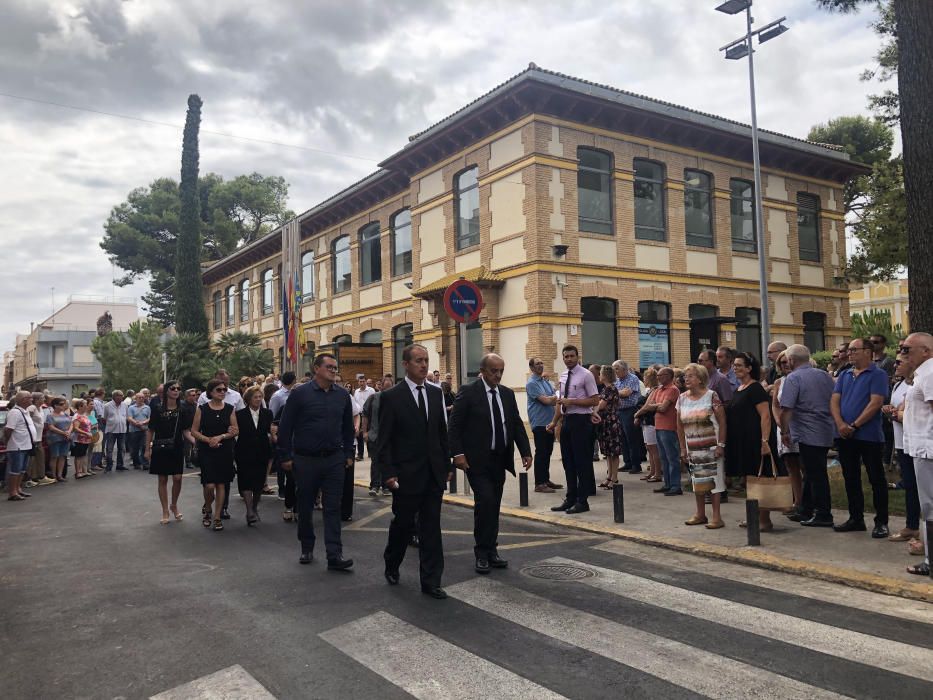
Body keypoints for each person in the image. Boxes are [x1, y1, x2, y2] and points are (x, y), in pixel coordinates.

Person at [376, 344, 451, 598]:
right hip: (406, 474)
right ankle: (392, 562)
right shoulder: (391, 396)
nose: (423, 365)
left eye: (426, 360)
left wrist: (446, 465)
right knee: (404, 524)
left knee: (431, 527)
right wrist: (388, 473)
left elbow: (441, 431)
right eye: (418, 360)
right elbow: (383, 440)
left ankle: (431, 581)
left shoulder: (435, 392)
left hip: (432, 472)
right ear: (405, 364)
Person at [449, 353, 531, 574]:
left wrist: (525, 451)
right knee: (484, 502)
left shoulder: (506, 394)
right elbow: (455, 426)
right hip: (476, 461)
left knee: (493, 505)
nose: (498, 375)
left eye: (501, 370)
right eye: (494, 371)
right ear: (483, 371)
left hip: (499, 459)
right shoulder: (469, 392)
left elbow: (514, 423)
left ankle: (492, 549)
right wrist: (457, 454)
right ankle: (481, 553)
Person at [277, 353, 355, 570]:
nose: (333, 370)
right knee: (305, 506)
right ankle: (307, 547)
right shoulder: (300, 394)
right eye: (329, 366)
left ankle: (334, 554)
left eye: (335, 367)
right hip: (305, 460)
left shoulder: (342, 395)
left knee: (332, 508)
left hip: (334, 460)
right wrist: (285, 457)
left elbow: (348, 428)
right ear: (317, 369)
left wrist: (348, 454)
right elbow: (285, 427)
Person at [830, 337, 890, 538]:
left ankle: (881, 521)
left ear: (867, 351)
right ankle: (856, 518)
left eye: (854, 350)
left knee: (876, 478)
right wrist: (840, 424)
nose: (850, 354)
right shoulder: (845, 374)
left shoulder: (877, 374)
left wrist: (855, 425)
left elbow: (875, 403)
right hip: (845, 435)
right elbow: (835, 401)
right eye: (849, 351)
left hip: (868, 435)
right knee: (851, 477)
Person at [779, 344, 837, 527]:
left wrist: (784, 431)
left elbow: (786, 408)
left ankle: (823, 513)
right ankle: (806, 509)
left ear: (791, 360)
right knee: (812, 472)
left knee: (815, 473)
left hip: (807, 430)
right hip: (825, 428)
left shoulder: (793, 378)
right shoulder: (824, 376)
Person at [725, 352, 777, 531]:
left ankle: (764, 519)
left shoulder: (755, 388)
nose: (735, 368)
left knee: (759, 480)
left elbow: (765, 416)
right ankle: (753, 516)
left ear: (749, 368)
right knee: (749, 481)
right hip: (741, 442)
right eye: (734, 365)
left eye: (739, 365)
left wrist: (764, 441)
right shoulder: (739, 389)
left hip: (755, 441)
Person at [548, 345, 600, 513]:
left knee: (581, 462)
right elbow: (560, 401)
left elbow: (594, 400)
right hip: (567, 421)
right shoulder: (563, 376)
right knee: (568, 462)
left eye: (572, 356)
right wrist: (554, 422)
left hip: (581, 420)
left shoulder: (586, 375)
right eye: (566, 356)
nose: (569, 359)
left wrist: (573, 402)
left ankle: (582, 501)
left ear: (577, 357)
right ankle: (570, 498)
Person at [676, 363, 727, 529]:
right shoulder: (682, 398)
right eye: (685, 376)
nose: (686, 379)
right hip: (693, 447)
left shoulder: (712, 396)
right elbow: (679, 425)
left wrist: (721, 444)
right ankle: (700, 514)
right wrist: (683, 448)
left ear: (700, 379)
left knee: (714, 482)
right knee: (697, 481)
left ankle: (717, 517)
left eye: (690, 376)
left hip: (711, 446)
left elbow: (722, 422)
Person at [899, 332, 933, 575]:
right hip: (922, 448)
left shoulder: (930, 374)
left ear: (926, 351)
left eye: (907, 349)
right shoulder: (921, 375)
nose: (902, 353)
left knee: (930, 507)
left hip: (928, 449)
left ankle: (932, 562)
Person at [190, 379, 239, 531]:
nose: (223, 392)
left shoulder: (230, 408)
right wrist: (208, 440)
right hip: (207, 450)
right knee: (209, 485)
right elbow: (194, 431)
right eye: (219, 390)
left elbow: (235, 430)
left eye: (224, 389)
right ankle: (208, 508)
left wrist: (222, 436)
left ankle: (217, 517)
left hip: (224, 449)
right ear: (210, 392)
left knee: (221, 484)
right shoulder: (202, 409)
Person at [884, 358, 921, 544]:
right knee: (910, 487)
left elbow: (913, 414)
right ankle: (912, 526)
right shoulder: (898, 385)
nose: (895, 365)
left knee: (921, 488)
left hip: (918, 443)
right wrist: (892, 411)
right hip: (902, 442)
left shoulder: (920, 384)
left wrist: (898, 414)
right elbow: (899, 411)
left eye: (899, 362)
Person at [146, 381, 191, 525]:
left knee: (177, 478)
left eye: (179, 388)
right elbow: (150, 430)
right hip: (160, 446)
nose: (176, 391)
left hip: (177, 446)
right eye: (173, 388)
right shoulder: (157, 409)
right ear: (166, 391)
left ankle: (174, 504)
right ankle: (165, 510)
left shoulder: (183, 409)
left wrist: (197, 442)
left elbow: (186, 431)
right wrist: (147, 449)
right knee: (162, 479)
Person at [234, 385, 274, 527]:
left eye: (260, 397)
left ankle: (255, 507)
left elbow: (271, 431)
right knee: (245, 480)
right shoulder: (239, 414)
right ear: (248, 399)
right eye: (255, 397)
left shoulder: (267, 413)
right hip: (244, 450)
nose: (258, 399)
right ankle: (249, 510)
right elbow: (235, 431)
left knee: (258, 482)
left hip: (262, 450)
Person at [641, 367, 682, 495]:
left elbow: (663, 408)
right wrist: (656, 406)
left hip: (669, 427)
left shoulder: (673, 390)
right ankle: (667, 484)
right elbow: (648, 406)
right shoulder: (658, 389)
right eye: (657, 375)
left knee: (672, 457)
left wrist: (655, 406)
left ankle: (676, 486)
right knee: (663, 457)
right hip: (658, 426)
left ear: (669, 376)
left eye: (661, 375)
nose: (658, 377)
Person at [772, 351, 803, 516]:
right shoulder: (779, 382)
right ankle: (796, 501)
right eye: (781, 362)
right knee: (791, 466)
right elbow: (775, 405)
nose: (785, 365)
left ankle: (807, 502)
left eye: (787, 361)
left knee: (804, 465)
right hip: (783, 427)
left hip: (800, 427)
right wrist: (779, 421)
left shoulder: (800, 378)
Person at [525, 357, 561, 493]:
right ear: (532, 368)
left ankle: (545, 479)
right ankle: (539, 483)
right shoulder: (532, 384)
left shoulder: (544, 382)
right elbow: (547, 400)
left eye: (541, 363)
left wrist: (553, 398)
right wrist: (553, 398)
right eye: (537, 364)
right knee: (541, 453)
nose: (540, 365)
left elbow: (554, 396)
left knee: (548, 452)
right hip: (539, 423)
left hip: (550, 422)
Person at [362, 377, 394, 496]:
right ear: (381, 387)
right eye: (385, 388)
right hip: (374, 435)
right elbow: (365, 415)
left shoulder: (395, 399)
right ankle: (374, 485)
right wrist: (365, 432)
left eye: (390, 388)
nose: (387, 390)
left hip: (389, 437)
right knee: (375, 461)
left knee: (387, 461)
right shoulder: (373, 398)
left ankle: (386, 486)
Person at [4, 391, 39, 501]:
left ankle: (18, 489)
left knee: (22, 469)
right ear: (23, 399)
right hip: (17, 445)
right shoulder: (15, 412)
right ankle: (12, 492)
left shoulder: (25, 411)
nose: (32, 400)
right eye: (30, 398)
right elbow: (9, 429)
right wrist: (8, 441)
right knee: (15, 469)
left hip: (25, 445)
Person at [613, 360, 645, 474]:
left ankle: (636, 464)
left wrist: (615, 393)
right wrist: (619, 392)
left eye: (617, 368)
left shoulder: (633, 378)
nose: (614, 371)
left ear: (624, 369)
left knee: (632, 438)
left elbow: (626, 393)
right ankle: (627, 462)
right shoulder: (616, 381)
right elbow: (618, 393)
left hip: (630, 410)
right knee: (622, 438)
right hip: (619, 411)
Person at [594, 365, 623, 488]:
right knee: (608, 451)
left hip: (611, 422)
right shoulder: (606, 389)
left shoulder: (610, 389)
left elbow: (601, 405)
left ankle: (614, 478)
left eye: (600, 374)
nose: (599, 376)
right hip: (605, 422)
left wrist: (592, 410)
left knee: (613, 452)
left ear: (605, 375)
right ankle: (609, 476)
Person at [635, 367, 663, 483]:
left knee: (653, 448)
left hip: (651, 422)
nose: (644, 379)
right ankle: (652, 471)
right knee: (649, 447)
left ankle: (657, 473)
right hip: (646, 422)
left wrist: (637, 414)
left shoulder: (654, 390)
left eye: (645, 377)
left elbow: (647, 406)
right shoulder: (649, 390)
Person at [26, 392, 54, 486]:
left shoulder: (41, 408)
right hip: (32, 438)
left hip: (39, 437)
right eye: (42, 398)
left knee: (40, 458)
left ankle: (40, 476)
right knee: (32, 459)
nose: (44, 400)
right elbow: (27, 420)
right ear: (36, 399)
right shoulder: (32, 408)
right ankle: (32, 478)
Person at [45, 397, 73, 482]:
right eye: (61, 404)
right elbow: (51, 427)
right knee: (54, 456)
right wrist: (63, 432)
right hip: (55, 439)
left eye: (64, 404)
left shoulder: (65, 414)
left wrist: (69, 431)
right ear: (55, 405)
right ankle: (54, 476)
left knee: (62, 456)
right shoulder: (50, 415)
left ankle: (60, 475)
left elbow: (71, 423)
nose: (63, 406)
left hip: (65, 438)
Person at [101, 390, 128, 472]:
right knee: (109, 449)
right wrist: (112, 423)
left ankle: (120, 465)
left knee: (122, 448)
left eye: (122, 396)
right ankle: (109, 465)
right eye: (119, 396)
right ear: (114, 397)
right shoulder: (107, 406)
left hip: (122, 430)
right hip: (111, 430)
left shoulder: (125, 405)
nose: (121, 397)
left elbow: (126, 416)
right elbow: (104, 419)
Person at [353, 376, 375, 460]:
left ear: (365, 382)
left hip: (369, 415)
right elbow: (355, 404)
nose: (361, 383)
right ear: (358, 382)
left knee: (369, 433)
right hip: (359, 415)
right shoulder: (356, 392)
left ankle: (371, 451)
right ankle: (360, 454)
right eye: (360, 381)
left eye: (363, 381)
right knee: (359, 435)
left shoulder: (371, 390)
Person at [127, 392, 151, 470]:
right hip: (134, 430)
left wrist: (143, 423)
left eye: (142, 398)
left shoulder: (147, 408)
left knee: (144, 446)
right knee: (135, 448)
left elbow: (150, 418)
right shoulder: (131, 407)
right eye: (139, 397)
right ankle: (136, 463)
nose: (141, 399)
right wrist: (136, 423)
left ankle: (145, 463)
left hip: (145, 430)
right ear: (136, 398)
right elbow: (129, 418)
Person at [70, 400, 93, 479]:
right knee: (78, 455)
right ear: (80, 407)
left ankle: (84, 470)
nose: (87, 406)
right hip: (79, 439)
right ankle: (78, 472)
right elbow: (75, 428)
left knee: (83, 454)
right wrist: (86, 433)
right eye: (85, 404)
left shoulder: (84, 415)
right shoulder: (77, 416)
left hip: (86, 439)